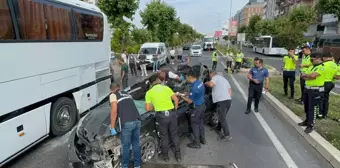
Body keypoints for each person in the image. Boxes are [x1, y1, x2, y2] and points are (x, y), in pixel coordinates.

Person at [145, 74, 181, 162]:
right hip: (171, 114)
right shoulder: (166, 88)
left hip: (161, 117)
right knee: (174, 135)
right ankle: (178, 155)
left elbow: (147, 108)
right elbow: (176, 100)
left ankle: (166, 157)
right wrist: (175, 109)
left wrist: (154, 107)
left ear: (150, 83)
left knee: (164, 136)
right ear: (158, 80)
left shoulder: (149, 93)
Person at [109, 82, 141, 168]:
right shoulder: (127, 93)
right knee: (136, 144)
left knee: (125, 147)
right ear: (119, 87)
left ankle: (124, 166)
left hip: (127, 123)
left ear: (112, 90)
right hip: (137, 120)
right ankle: (137, 165)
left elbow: (114, 111)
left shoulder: (113, 95)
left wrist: (112, 127)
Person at [298, 52, 325, 133]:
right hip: (307, 88)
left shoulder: (322, 67)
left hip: (315, 90)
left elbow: (313, 76)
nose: (311, 61)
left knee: (312, 108)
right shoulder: (312, 67)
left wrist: (307, 75)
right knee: (306, 106)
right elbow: (304, 76)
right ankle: (307, 121)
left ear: (318, 58)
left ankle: (310, 125)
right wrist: (307, 76)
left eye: (312, 59)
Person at [179, 70, 206, 148]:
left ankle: (197, 143)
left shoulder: (194, 87)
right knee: (200, 122)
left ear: (190, 77)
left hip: (196, 108)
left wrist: (182, 97)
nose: (186, 78)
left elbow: (190, 101)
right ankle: (202, 139)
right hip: (202, 105)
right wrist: (186, 94)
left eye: (187, 77)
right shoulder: (200, 82)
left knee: (195, 125)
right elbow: (194, 93)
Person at [204, 71, 232, 141]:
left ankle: (227, 135)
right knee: (222, 116)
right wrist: (228, 97)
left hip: (222, 101)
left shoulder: (215, 78)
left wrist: (206, 83)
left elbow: (211, 85)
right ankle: (219, 127)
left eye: (209, 76)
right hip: (228, 100)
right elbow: (230, 90)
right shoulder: (224, 79)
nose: (210, 78)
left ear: (211, 74)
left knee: (222, 118)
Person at [319, 52, 337, 118]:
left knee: (320, 98)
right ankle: (325, 113)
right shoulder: (335, 64)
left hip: (323, 83)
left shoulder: (323, 65)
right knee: (326, 99)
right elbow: (337, 76)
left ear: (324, 57)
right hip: (331, 83)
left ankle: (320, 113)